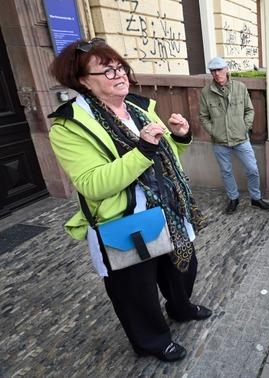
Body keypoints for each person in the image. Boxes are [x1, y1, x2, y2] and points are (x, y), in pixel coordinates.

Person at [48, 38, 211, 362]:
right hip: (124, 221)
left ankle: (179, 307)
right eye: (107, 71)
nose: (119, 74)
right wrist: (143, 149)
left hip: (167, 208)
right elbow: (93, 183)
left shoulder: (138, 108)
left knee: (183, 268)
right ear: (83, 81)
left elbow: (162, 159)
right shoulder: (69, 126)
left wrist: (178, 137)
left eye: (119, 66)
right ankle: (151, 340)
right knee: (136, 291)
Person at [199, 57, 269, 215]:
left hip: (241, 139)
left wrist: (244, 127)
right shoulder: (206, 92)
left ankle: (256, 197)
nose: (217, 73)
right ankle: (233, 198)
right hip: (219, 141)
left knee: (252, 169)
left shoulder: (240, 87)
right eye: (213, 71)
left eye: (220, 69)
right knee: (226, 171)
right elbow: (203, 117)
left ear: (226, 69)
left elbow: (249, 110)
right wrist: (215, 131)